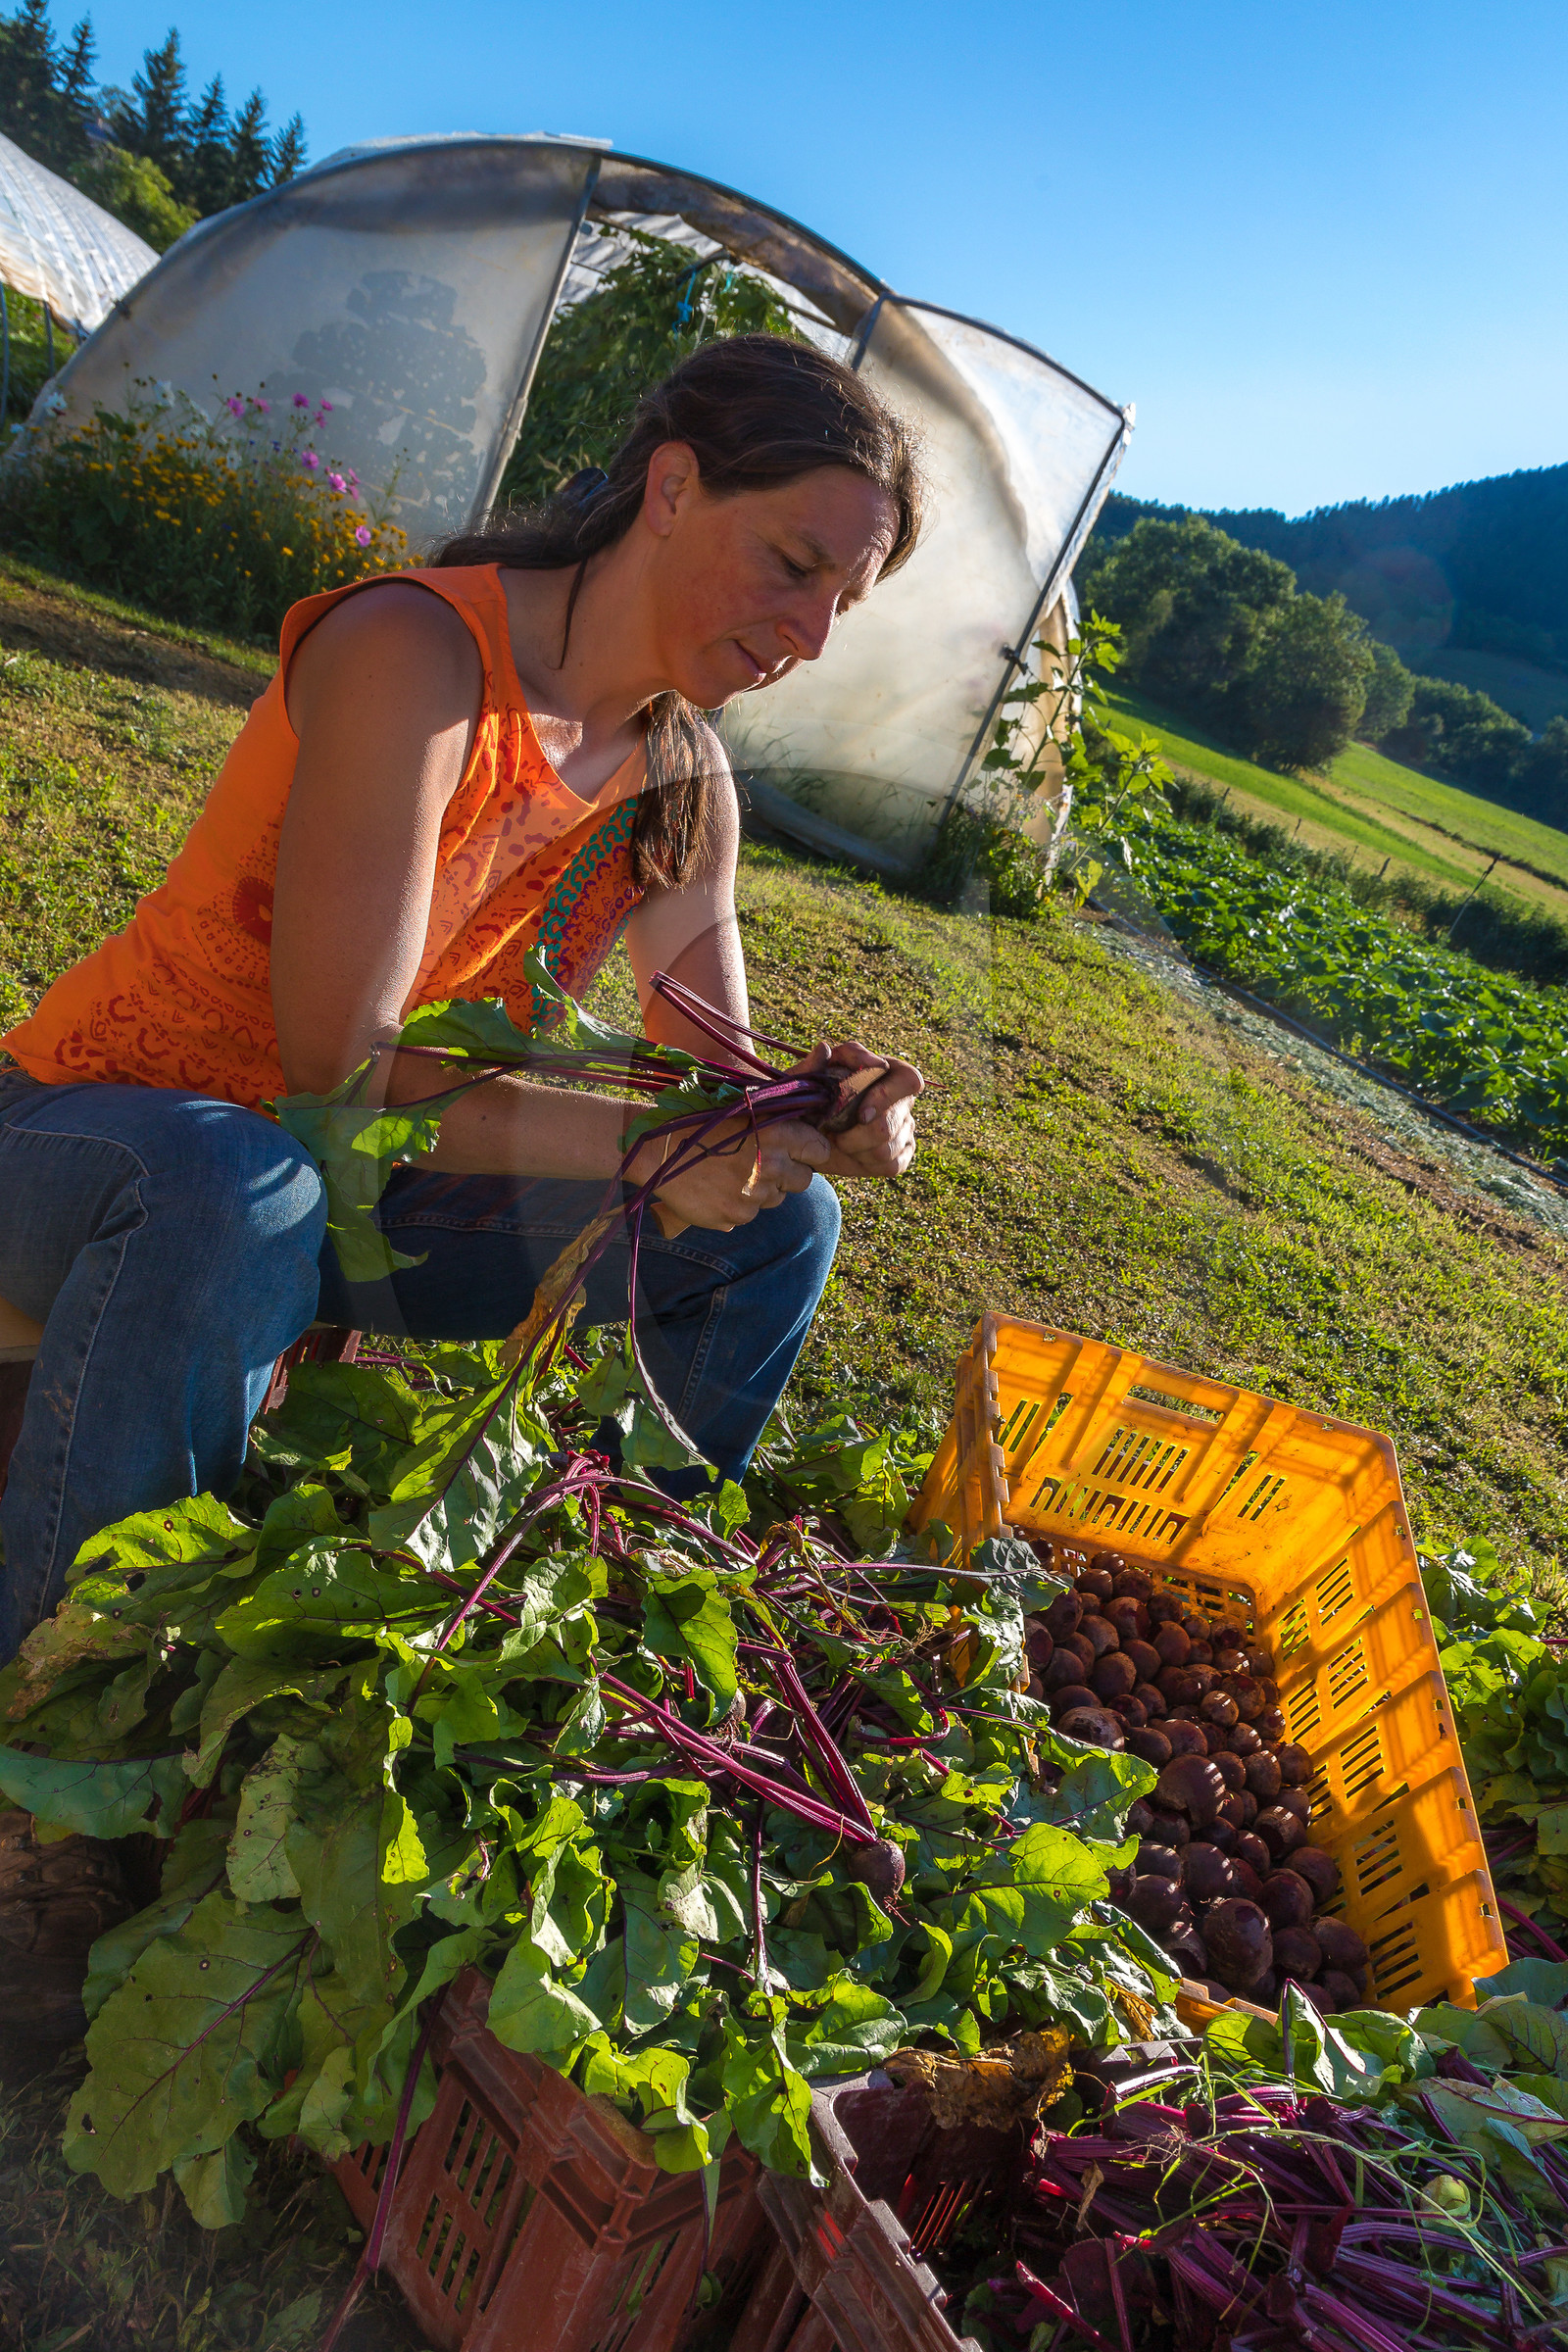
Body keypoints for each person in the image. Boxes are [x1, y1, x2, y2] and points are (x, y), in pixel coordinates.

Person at [0, 334, 927, 1670]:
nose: (812, 636)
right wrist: (647, 1149)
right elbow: (339, 1077)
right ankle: (65, 1689)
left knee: (781, 1236)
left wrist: (806, 1122)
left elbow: (703, 1090)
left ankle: (568, 1640)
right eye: (793, 564)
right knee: (242, 1182)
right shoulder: (415, 652)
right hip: (106, 1153)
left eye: (847, 598)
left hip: (343, 1212)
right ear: (672, 488)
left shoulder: (680, 782)